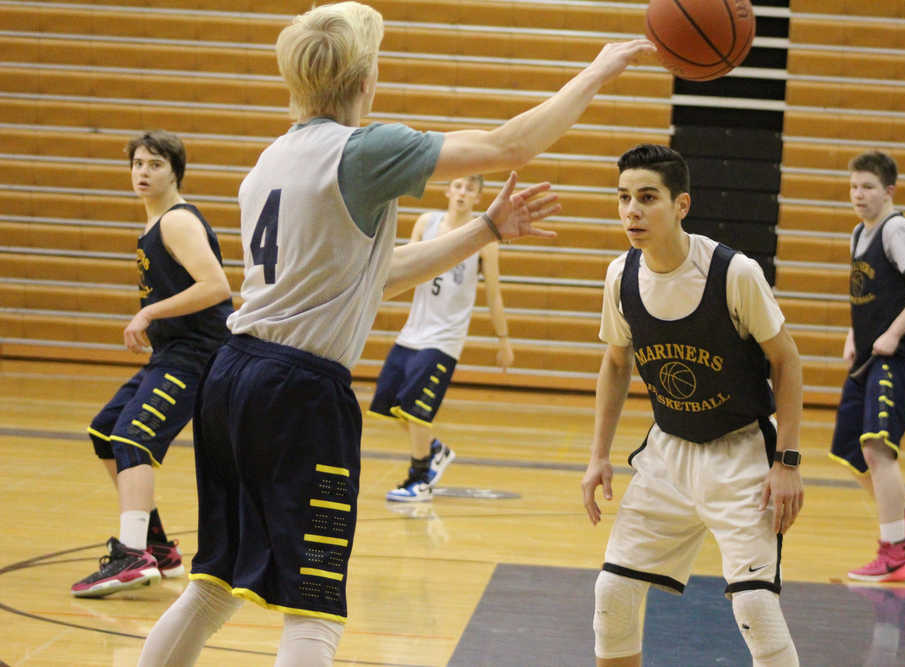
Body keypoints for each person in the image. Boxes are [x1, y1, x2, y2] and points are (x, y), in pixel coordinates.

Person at [138, 3, 654, 664]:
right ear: (365, 80)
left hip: (233, 376)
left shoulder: (270, 161)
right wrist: (599, 70)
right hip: (296, 391)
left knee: (214, 585)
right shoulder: (364, 150)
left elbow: (370, 277)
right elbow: (509, 146)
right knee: (312, 604)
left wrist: (486, 230)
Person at [581, 144, 804, 667]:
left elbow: (788, 362)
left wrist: (787, 461)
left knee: (755, 606)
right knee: (612, 597)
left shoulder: (733, 273)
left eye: (647, 198)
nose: (631, 210)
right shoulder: (621, 276)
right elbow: (616, 365)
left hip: (741, 452)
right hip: (667, 454)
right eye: (623, 198)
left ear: (681, 205)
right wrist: (598, 456)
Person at [72, 130, 234, 598]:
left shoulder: (177, 222)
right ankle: (158, 548)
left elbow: (217, 286)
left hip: (199, 356)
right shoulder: (153, 224)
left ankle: (132, 555)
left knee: (133, 438)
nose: (143, 172)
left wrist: (148, 312)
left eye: (155, 165)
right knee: (106, 430)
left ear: (174, 171)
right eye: (138, 164)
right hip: (172, 353)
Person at [829, 151, 905, 582]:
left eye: (868, 187)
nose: (859, 195)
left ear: (888, 191)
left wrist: (893, 333)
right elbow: (871, 292)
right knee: (850, 449)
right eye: (854, 186)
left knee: (877, 447)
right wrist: (855, 334)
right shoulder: (861, 231)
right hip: (871, 354)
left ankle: (894, 553)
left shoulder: (897, 230)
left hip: (901, 355)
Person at [368, 174, 514, 502]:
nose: (462, 193)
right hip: (412, 333)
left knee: (415, 410)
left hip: (444, 340)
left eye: (470, 189)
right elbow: (402, 266)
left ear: (478, 197)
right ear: (448, 190)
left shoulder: (485, 240)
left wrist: (503, 339)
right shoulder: (426, 223)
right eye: (458, 186)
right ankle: (435, 450)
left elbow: (494, 294)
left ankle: (419, 478)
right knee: (387, 405)